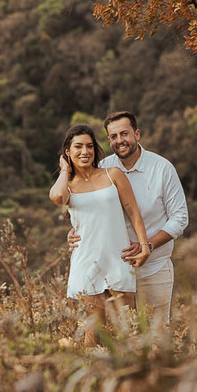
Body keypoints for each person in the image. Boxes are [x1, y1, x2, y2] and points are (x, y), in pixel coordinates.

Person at [73, 111, 189, 329]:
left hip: (155, 268)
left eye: (124, 134)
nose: (120, 141)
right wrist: (74, 233)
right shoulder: (103, 169)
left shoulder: (162, 168)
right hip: (113, 270)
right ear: (109, 140)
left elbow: (180, 218)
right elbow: (89, 212)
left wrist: (148, 244)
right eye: (114, 136)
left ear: (137, 134)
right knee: (120, 337)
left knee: (157, 335)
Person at [49, 123, 151, 346]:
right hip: (87, 262)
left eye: (89, 146)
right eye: (78, 147)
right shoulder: (68, 186)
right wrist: (65, 170)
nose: (84, 152)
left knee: (127, 330)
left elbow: (133, 211)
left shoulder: (112, 174)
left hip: (119, 258)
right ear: (68, 152)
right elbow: (57, 197)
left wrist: (144, 245)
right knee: (92, 333)